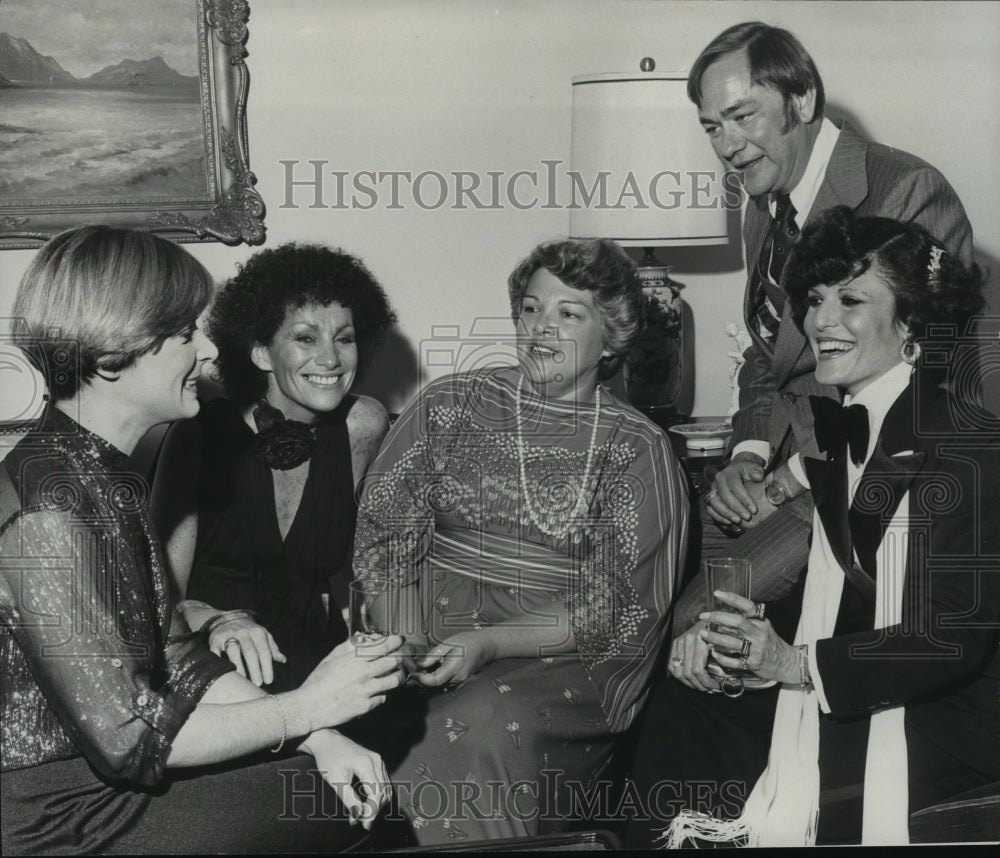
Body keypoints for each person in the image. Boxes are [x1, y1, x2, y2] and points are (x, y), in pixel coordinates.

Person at [627, 22, 976, 846]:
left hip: (874, 471)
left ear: (804, 99)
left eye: (743, 116)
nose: (727, 144)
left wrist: (791, 480)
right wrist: (749, 454)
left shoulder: (903, 187)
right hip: (786, 465)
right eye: (711, 126)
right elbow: (765, 356)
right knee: (648, 592)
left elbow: (929, 374)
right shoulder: (765, 205)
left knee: (694, 634)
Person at [0, 226, 405, 855]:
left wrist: (318, 734)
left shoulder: (99, 474)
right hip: (56, 817)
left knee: (340, 781)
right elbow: (131, 740)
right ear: (115, 352)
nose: (210, 351)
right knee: (338, 806)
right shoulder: (53, 508)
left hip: (97, 784)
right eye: (186, 334)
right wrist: (306, 708)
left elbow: (180, 657)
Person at [665, 207, 999, 846]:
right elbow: (850, 604)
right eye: (814, 299)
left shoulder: (970, 446)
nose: (820, 321)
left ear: (912, 324)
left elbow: (948, 639)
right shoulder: (839, 435)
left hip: (949, 727)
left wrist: (793, 663)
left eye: (850, 300)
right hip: (871, 698)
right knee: (682, 716)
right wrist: (754, 657)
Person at [351, 238, 688, 845]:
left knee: (477, 722)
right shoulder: (449, 405)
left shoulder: (637, 449)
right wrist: (406, 643)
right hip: (419, 632)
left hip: (558, 657)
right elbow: (385, 537)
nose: (542, 328)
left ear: (611, 335)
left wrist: (485, 643)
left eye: (569, 313)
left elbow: (613, 609)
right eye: (531, 309)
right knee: (361, 711)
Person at [151, 243, 397, 692]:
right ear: (261, 352)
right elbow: (160, 600)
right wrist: (222, 620)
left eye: (344, 338)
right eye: (306, 338)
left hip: (320, 669)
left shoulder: (364, 424)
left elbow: (366, 564)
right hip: (215, 670)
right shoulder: (198, 435)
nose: (331, 359)